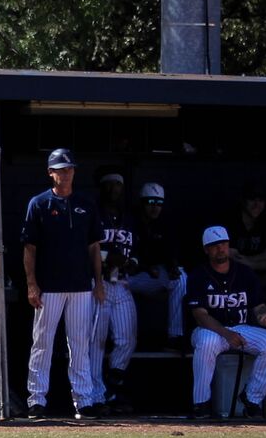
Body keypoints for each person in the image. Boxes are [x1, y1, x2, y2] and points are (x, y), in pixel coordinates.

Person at [20, 149, 105, 419]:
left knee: (80, 343)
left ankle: (84, 401)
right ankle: (37, 400)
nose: (65, 174)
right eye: (60, 169)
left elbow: (94, 248)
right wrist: (31, 284)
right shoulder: (39, 203)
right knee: (42, 342)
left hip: (81, 286)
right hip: (49, 287)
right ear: (50, 172)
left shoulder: (86, 204)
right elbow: (29, 248)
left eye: (69, 169)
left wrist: (98, 282)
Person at [185, 226, 266, 419]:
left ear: (229, 246)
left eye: (223, 244)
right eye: (214, 246)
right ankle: (201, 402)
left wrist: (265, 317)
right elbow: (200, 315)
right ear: (206, 249)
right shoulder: (198, 275)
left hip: (241, 328)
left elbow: (258, 304)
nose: (220, 249)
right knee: (207, 344)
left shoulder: (245, 273)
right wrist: (226, 333)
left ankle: (251, 399)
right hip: (210, 329)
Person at [89, 169, 136, 413]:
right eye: (109, 186)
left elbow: (138, 251)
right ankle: (96, 394)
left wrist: (130, 261)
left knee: (127, 339)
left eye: (117, 186)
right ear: (102, 188)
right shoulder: (93, 213)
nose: (113, 190)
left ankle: (113, 387)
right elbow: (85, 248)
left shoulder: (128, 217)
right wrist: (108, 256)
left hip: (123, 283)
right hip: (99, 282)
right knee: (96, 341)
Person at [126, 182, 187, 351]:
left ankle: (175, 336)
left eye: (159, 203)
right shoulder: (130, 220)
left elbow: (170, 252)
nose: (155, 207)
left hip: (150, 277)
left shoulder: (165, 224)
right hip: (129, 276)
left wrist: (172, 267)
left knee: (181, 278)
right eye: (150, 202)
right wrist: (145, 267)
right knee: (116, 283)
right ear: (142, 202)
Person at [227, 181, 266, 286]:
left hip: (258, 278)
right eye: (252, 199)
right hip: (233, 277)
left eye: (260, 200)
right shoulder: (230, 221)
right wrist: (261, 258)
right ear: (243, 200)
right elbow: (230, 257)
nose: (257, 204)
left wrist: (248, 262)